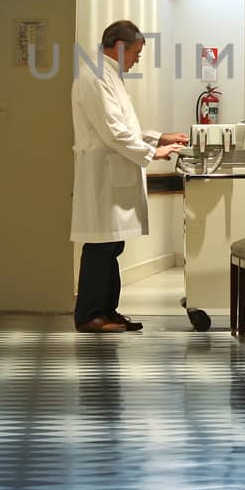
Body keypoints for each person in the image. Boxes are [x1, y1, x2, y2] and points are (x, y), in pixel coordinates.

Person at [70, 20, 187, 333]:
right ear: (120, 46)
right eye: (136, 52)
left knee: (112, 246)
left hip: (112, 171)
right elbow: (113, 132)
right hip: (102, 174)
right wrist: (153, 154)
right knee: (100, 246)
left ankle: (108, 311)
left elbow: (125, 128)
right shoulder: (95, 75)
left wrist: (159, 137)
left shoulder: (108, 74)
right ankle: (90, 315)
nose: (137, 59)